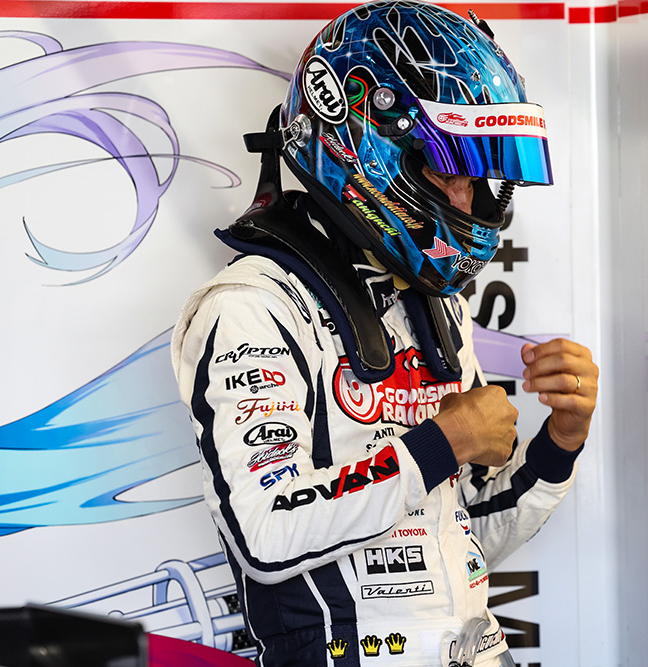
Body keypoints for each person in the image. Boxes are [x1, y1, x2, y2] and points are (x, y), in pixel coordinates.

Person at [171, 2, 599, 665]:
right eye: (449, 167)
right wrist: (444, 441)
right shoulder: (250, 307)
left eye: (475, 174)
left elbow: (464, 536)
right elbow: (266, 530)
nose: (466, 199)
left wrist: (559, 443)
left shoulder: (433, 305)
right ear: (368, 148)